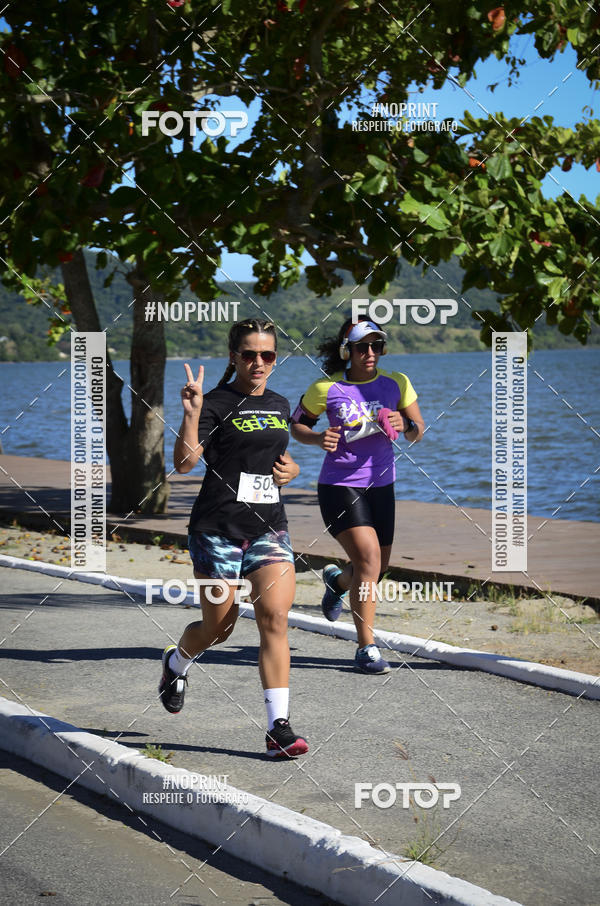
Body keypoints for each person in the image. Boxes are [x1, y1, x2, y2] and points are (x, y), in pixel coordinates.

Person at [159, 318, 308, 758]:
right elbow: (185, 464)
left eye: (266, 355)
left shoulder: (280, 403)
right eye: (249, 354)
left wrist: (294, 470)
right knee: (219, 628)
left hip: (268, 528)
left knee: (274, 621)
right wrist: (190, 415)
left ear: (274, 359)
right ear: (234, 357)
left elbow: (277, 457)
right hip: (217, 530)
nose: (258, 362)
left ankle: (277, 728)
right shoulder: (215, 402)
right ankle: (176, 662)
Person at [290, 318, 425, 674]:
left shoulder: (397, 383)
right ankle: (366, 647)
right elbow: (297, 424)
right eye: (362, 347)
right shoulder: (326, 388)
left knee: (374, 570)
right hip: (339, 485)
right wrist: (318, 438)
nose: (370, 353)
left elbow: (418, 432)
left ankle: (337, 581)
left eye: (376, 346)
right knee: (368, 561)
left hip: (382, 485)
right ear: (346, 351)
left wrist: (405, 425)